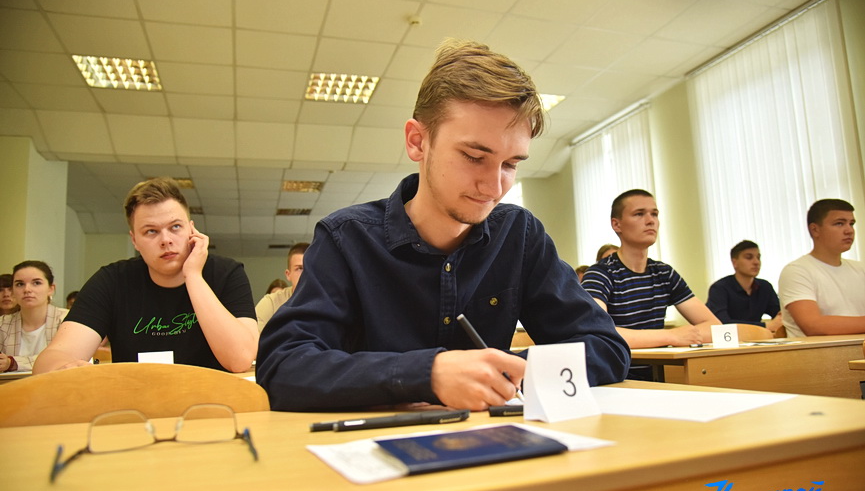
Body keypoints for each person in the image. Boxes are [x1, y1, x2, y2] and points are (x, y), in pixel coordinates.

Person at [257, 39, 629, 412]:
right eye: (474, 156)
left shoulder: (520, 235)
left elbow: (606, 347)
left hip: (497, 440)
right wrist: (426, 373)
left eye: (511, 164)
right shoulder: (346, 238)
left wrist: (504, 372)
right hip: (374, 443)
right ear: (418, 142)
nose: (494, 187)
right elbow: (283, 366)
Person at [33, 177, 258, 373]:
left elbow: (240, 360)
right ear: (134, 240)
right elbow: (51, 359)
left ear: (192, 229)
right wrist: (63, 368)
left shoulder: (227, 273)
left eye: (175, 227)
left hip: (214, 401)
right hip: (137, 402)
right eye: (151, 231)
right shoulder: (112, 281)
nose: (166, 240)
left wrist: (194, 276)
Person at [581, 189, 720, 351]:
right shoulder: (600, 274)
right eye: (639, 214)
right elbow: (599, 331)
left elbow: (714, 327)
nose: (650, 221)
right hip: (619, 366)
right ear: (616, 224)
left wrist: (679, 335)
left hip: (660, 365)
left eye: (654, 214)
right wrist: (671, 336)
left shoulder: (664, 273)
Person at [778, 199, 865, 337]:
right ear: (815, 230)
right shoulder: (796, 271)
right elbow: (814, 325)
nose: (849, 230)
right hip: (818, 350)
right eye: (839, 223)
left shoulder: (861, 269)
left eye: (851, 224)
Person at [0, 261, 68, 372]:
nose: (27, 289)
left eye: (36, 283)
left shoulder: (68, 320)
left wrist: (12, 363)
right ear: (13, 290)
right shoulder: (2, 324)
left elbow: (65, 358)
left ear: (51, 289)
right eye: (20, 284)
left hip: (58, 382)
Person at [706, 240, 782, 333]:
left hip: (758, 338)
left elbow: (780, 314)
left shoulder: (765, 287)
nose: (756, 262)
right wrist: (765, 326)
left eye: (758, 257)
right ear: (734, 263)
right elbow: (722, 323)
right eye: (749, 257)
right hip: (729, 338)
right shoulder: (719, 288)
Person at [255, 242, 309, 332]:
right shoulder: (271, 303)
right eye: (299, 268)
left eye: (310, 268)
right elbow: (253, 336)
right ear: (288, 274)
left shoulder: (328, 301)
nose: (305, 274)